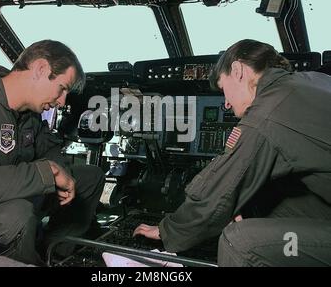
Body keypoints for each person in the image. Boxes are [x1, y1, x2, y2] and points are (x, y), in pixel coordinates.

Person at [133, 39, 331, 267]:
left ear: (237, 70)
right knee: (266, 202)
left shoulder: (268, 112)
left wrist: (167, 231)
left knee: (237, 242)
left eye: (223, 89)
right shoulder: (315, 80)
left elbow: (220, 189)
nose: (225, 103)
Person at [0, 40, 105, 265]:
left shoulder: (29, 113)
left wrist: (59, 171)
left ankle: (54, 254)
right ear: (41, 69)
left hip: (11, 198)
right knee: (16, 215)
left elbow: (51, 149)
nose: (62, 102)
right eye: (62, 88)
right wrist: (47, 174)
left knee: (90, 178)